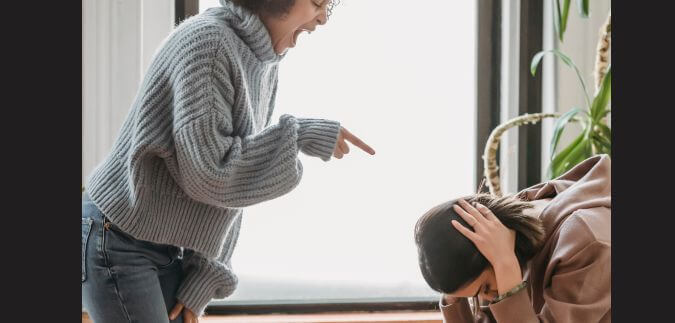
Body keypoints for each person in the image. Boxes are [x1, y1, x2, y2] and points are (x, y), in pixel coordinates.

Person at [81, 1, 375, 322]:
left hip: (164, 243)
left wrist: (206, 273)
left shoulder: (262, 59)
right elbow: (211, 173)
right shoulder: (209, 44)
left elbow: (237, 182)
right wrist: (298, 134)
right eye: (317, 3)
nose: (323, 19)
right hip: (118, 237)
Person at [414, 155, 611, 323]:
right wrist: (454, 296)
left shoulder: (588, 243)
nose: (490, 299)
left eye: (485, 288)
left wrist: (505, 264)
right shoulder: (509, 235)